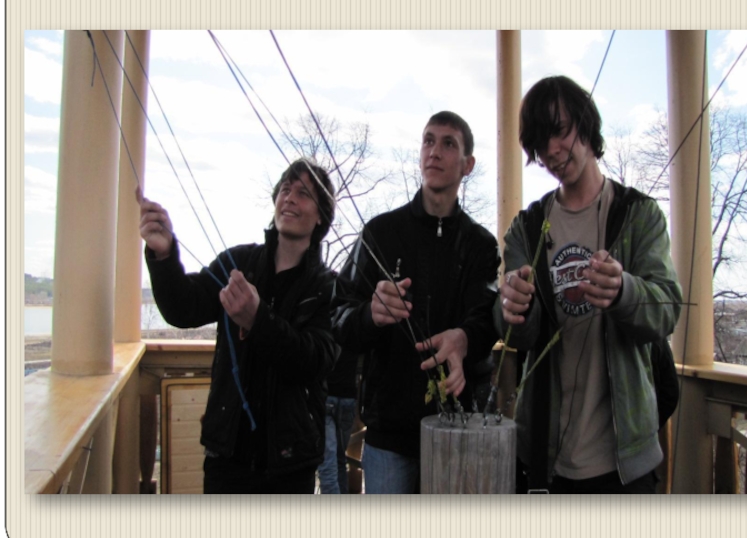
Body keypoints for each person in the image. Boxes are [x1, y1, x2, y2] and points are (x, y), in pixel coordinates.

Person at [496, 76, 682, 494]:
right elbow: (517, 335)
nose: (552, 150)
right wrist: (512, 306)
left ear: (585, 124)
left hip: (625, 462)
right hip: (544, 459)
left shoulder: (639, 215)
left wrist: (623, 291)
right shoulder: (526, 228)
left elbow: (668, 308)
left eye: (560, 131)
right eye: (540, 142)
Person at [138, 158, 339, 494]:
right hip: (227, 454)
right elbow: (184, 308)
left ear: (321, 215)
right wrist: (164, 255)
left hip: (290, 462)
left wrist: (258, 320)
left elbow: (314, 361)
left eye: (304, 193)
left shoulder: (328, 287)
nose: (290, 198)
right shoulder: (240, 262)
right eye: (285, 189)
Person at [332, 111, 500, 494]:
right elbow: (338, 315)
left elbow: (488, 318)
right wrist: (369, 315)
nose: (434, 151)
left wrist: (464, 339)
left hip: (458, 431)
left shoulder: (481, 245)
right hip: (388, 436)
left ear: (468, 164)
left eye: (448, 143)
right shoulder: (379, 232)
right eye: (428, 141)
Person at [317, 344, 359, 494]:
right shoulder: (353, 329)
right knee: (340, 460)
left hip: (326, 395)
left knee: (328, 466)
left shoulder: (324, 330)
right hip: (348, 395)